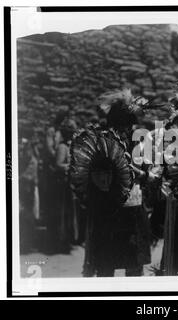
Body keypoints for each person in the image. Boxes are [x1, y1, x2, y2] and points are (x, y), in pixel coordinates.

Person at [74, 89, 152, 277]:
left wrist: (142, 173)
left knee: (130, 263)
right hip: (112, 209)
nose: (127, 129)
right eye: (124, 124)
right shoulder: (104, 142)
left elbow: (145, 170)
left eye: (129, 124)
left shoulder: (136, 141)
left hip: (130, 207)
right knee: (107, 263)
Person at [48, 118, 78, 253]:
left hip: (68, 184)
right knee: (63, 213)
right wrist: (71, 166)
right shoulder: (62, 147)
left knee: (69, 213)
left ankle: (67, 241)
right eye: (70, 132)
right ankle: (61, 242)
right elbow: (58, 165)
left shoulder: (68, 145)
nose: (72, 135)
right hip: (62, 185)